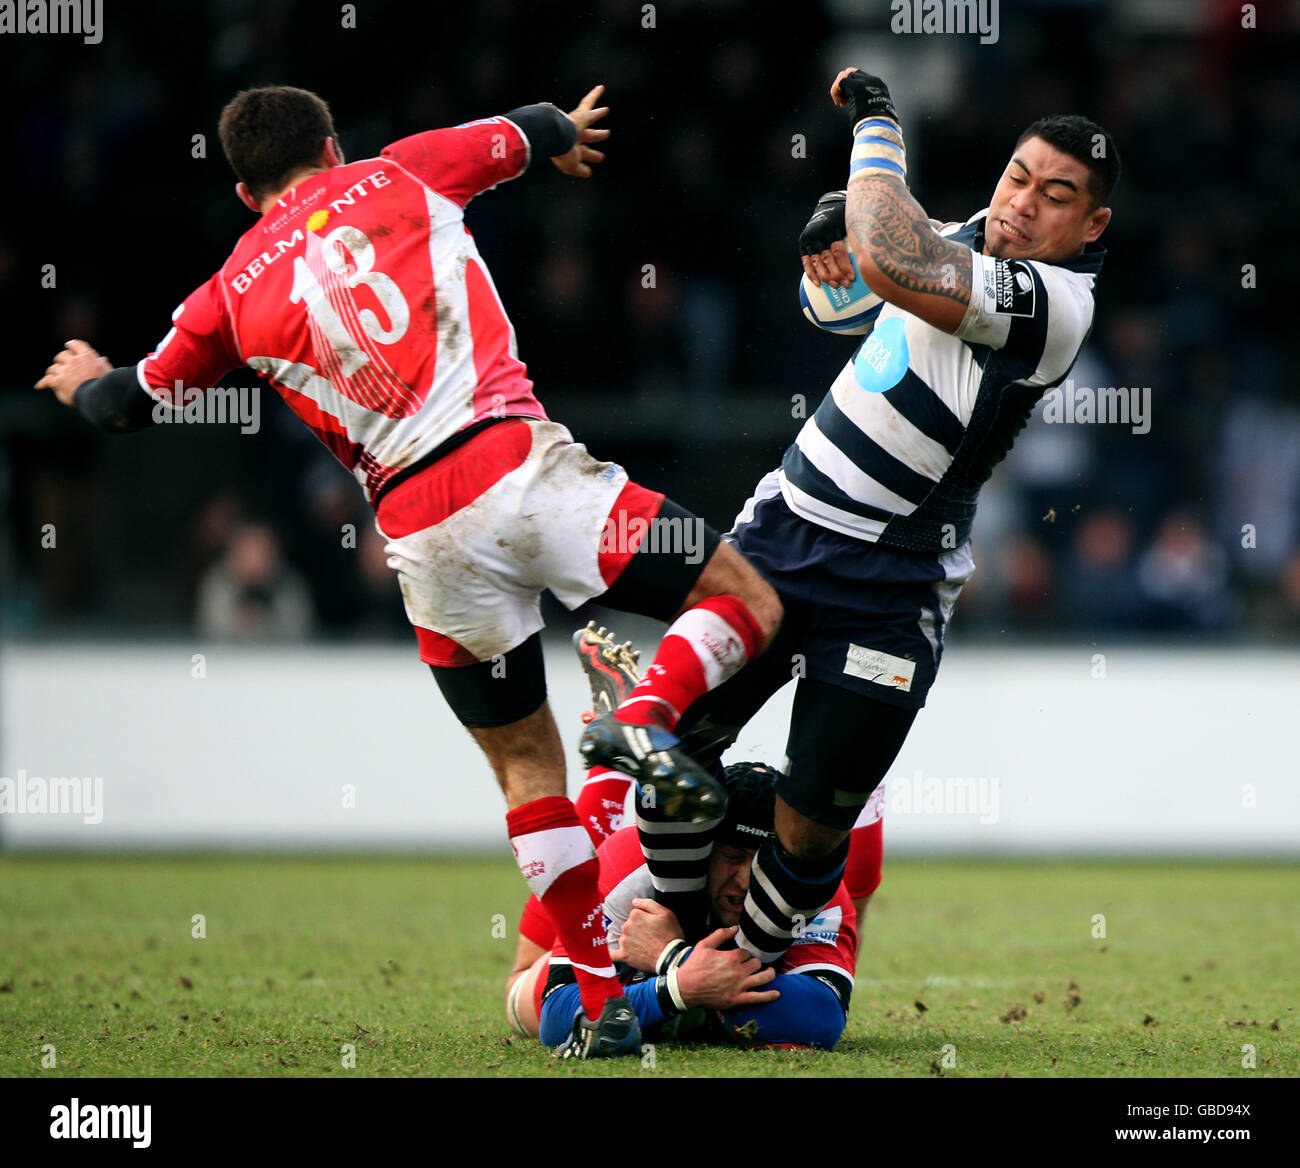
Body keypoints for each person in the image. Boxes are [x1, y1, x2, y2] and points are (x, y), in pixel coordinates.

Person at [35, 84, 782, 1059]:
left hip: (419, 536)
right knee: (742, 592)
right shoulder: (401, 170)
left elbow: (125, 405)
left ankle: (599, 998)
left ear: (241, 189)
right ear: (333, 144)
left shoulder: (225, 290)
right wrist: (565, 136)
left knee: (525, 766)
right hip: (518, 469)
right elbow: (531, 129)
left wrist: (83, 375)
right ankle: (645, 715)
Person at [585, 67, 1117, 972]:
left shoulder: (1055, 306)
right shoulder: (965, 237)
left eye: (1056, 195)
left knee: (812, 818)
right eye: (1017, 177)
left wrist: (876, 132)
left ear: (1091, 227)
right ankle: (671, 951)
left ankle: (741, 976)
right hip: (784, 532)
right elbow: (838, 299)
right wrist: (828, 249)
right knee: (667, 764)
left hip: (892, 583)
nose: (1024, 204)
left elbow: (893, 262)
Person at [507, 759, 857, 1052]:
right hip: (624, 959)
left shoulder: (812, 886)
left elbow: (820, 1018)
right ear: (702, 847)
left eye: (761, 862)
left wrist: (677, 965)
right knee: (523, 992)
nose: (745, 880)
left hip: (647, 974)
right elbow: (557, 1019)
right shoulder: (633, 862)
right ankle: (609, 769)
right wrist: (682, 989)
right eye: (733, 856)